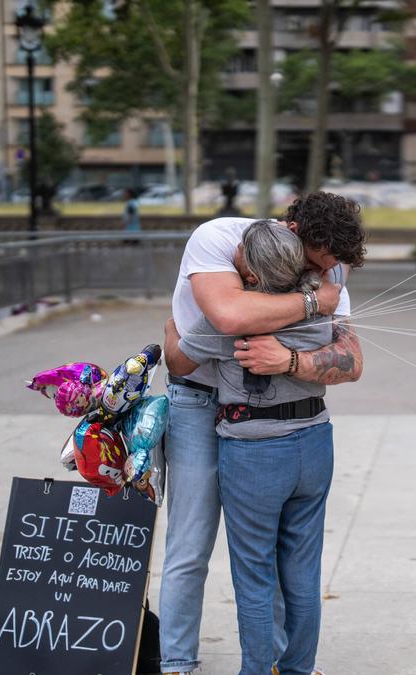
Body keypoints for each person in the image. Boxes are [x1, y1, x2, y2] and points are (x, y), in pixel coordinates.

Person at [160, 192, 366, 675]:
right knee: (193, 545)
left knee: (259, 562)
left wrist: (288, 358)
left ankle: (269, 664)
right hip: (202, 403)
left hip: (257, 434)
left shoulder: (326, 271)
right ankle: (180, 662)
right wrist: (315, 305)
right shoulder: (219, 237)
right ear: (294, 236)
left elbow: (351, 360)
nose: (327, 273)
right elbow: (231, 316)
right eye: (319, 262)